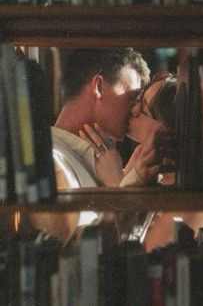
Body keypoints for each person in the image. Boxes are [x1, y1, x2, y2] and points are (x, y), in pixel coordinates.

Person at [30, 48, 167, 244]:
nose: (135, 110)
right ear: (99, 86)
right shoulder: (50, 160)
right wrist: (117, 187)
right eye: (131, 98)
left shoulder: (105, 162)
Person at [82, 70, 203, 251]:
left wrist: (116, 183)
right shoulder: (150, 166)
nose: (133, 109)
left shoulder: (198, 195)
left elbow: (147, 253)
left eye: (143, 106)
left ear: (169, 128)